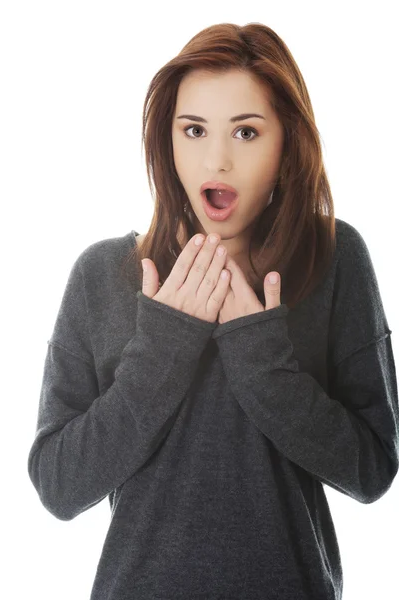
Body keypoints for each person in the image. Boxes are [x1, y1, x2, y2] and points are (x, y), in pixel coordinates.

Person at [27, 22, 399, 600]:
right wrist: (163, 348)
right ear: (166, 140)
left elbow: (372, 470)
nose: (217, 160)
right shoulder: (102, 275)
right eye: (194, 130)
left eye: (247, 132)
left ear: (287, 142)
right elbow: (59, 486)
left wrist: (260, 352)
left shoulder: (335, 258)